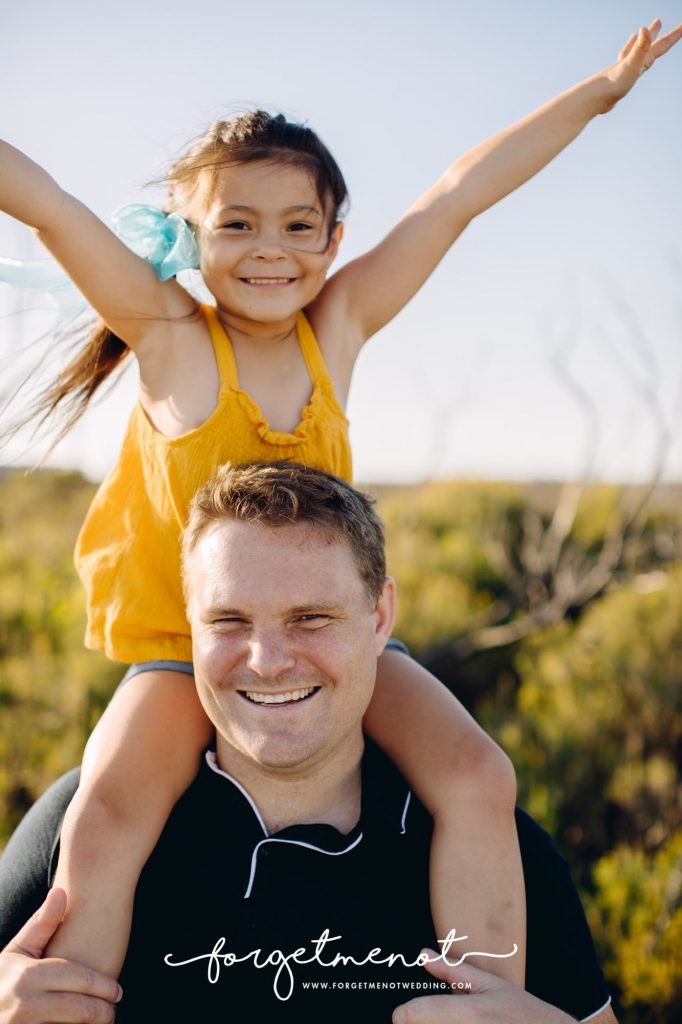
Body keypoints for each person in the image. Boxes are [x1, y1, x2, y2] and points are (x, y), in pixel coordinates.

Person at [0, 15, 679, 985]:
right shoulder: (168, 334)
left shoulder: (340, 327)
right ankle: (68, 1002)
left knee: (478, 775)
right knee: (103, 815)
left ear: (333, 238)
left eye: (297, 225)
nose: (269, 250)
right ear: (191, 235)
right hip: (184, 648)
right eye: (237, 223)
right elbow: (49, 207)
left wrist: (599, 95)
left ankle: (482, 997)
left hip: (328, 637)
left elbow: (458, 195)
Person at [0, 462, 618, 1023]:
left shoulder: (490, 843)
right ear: (188, 626)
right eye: (228, 620)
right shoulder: (84, 823)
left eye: (311, 618)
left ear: (380, 617)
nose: (267, 661)